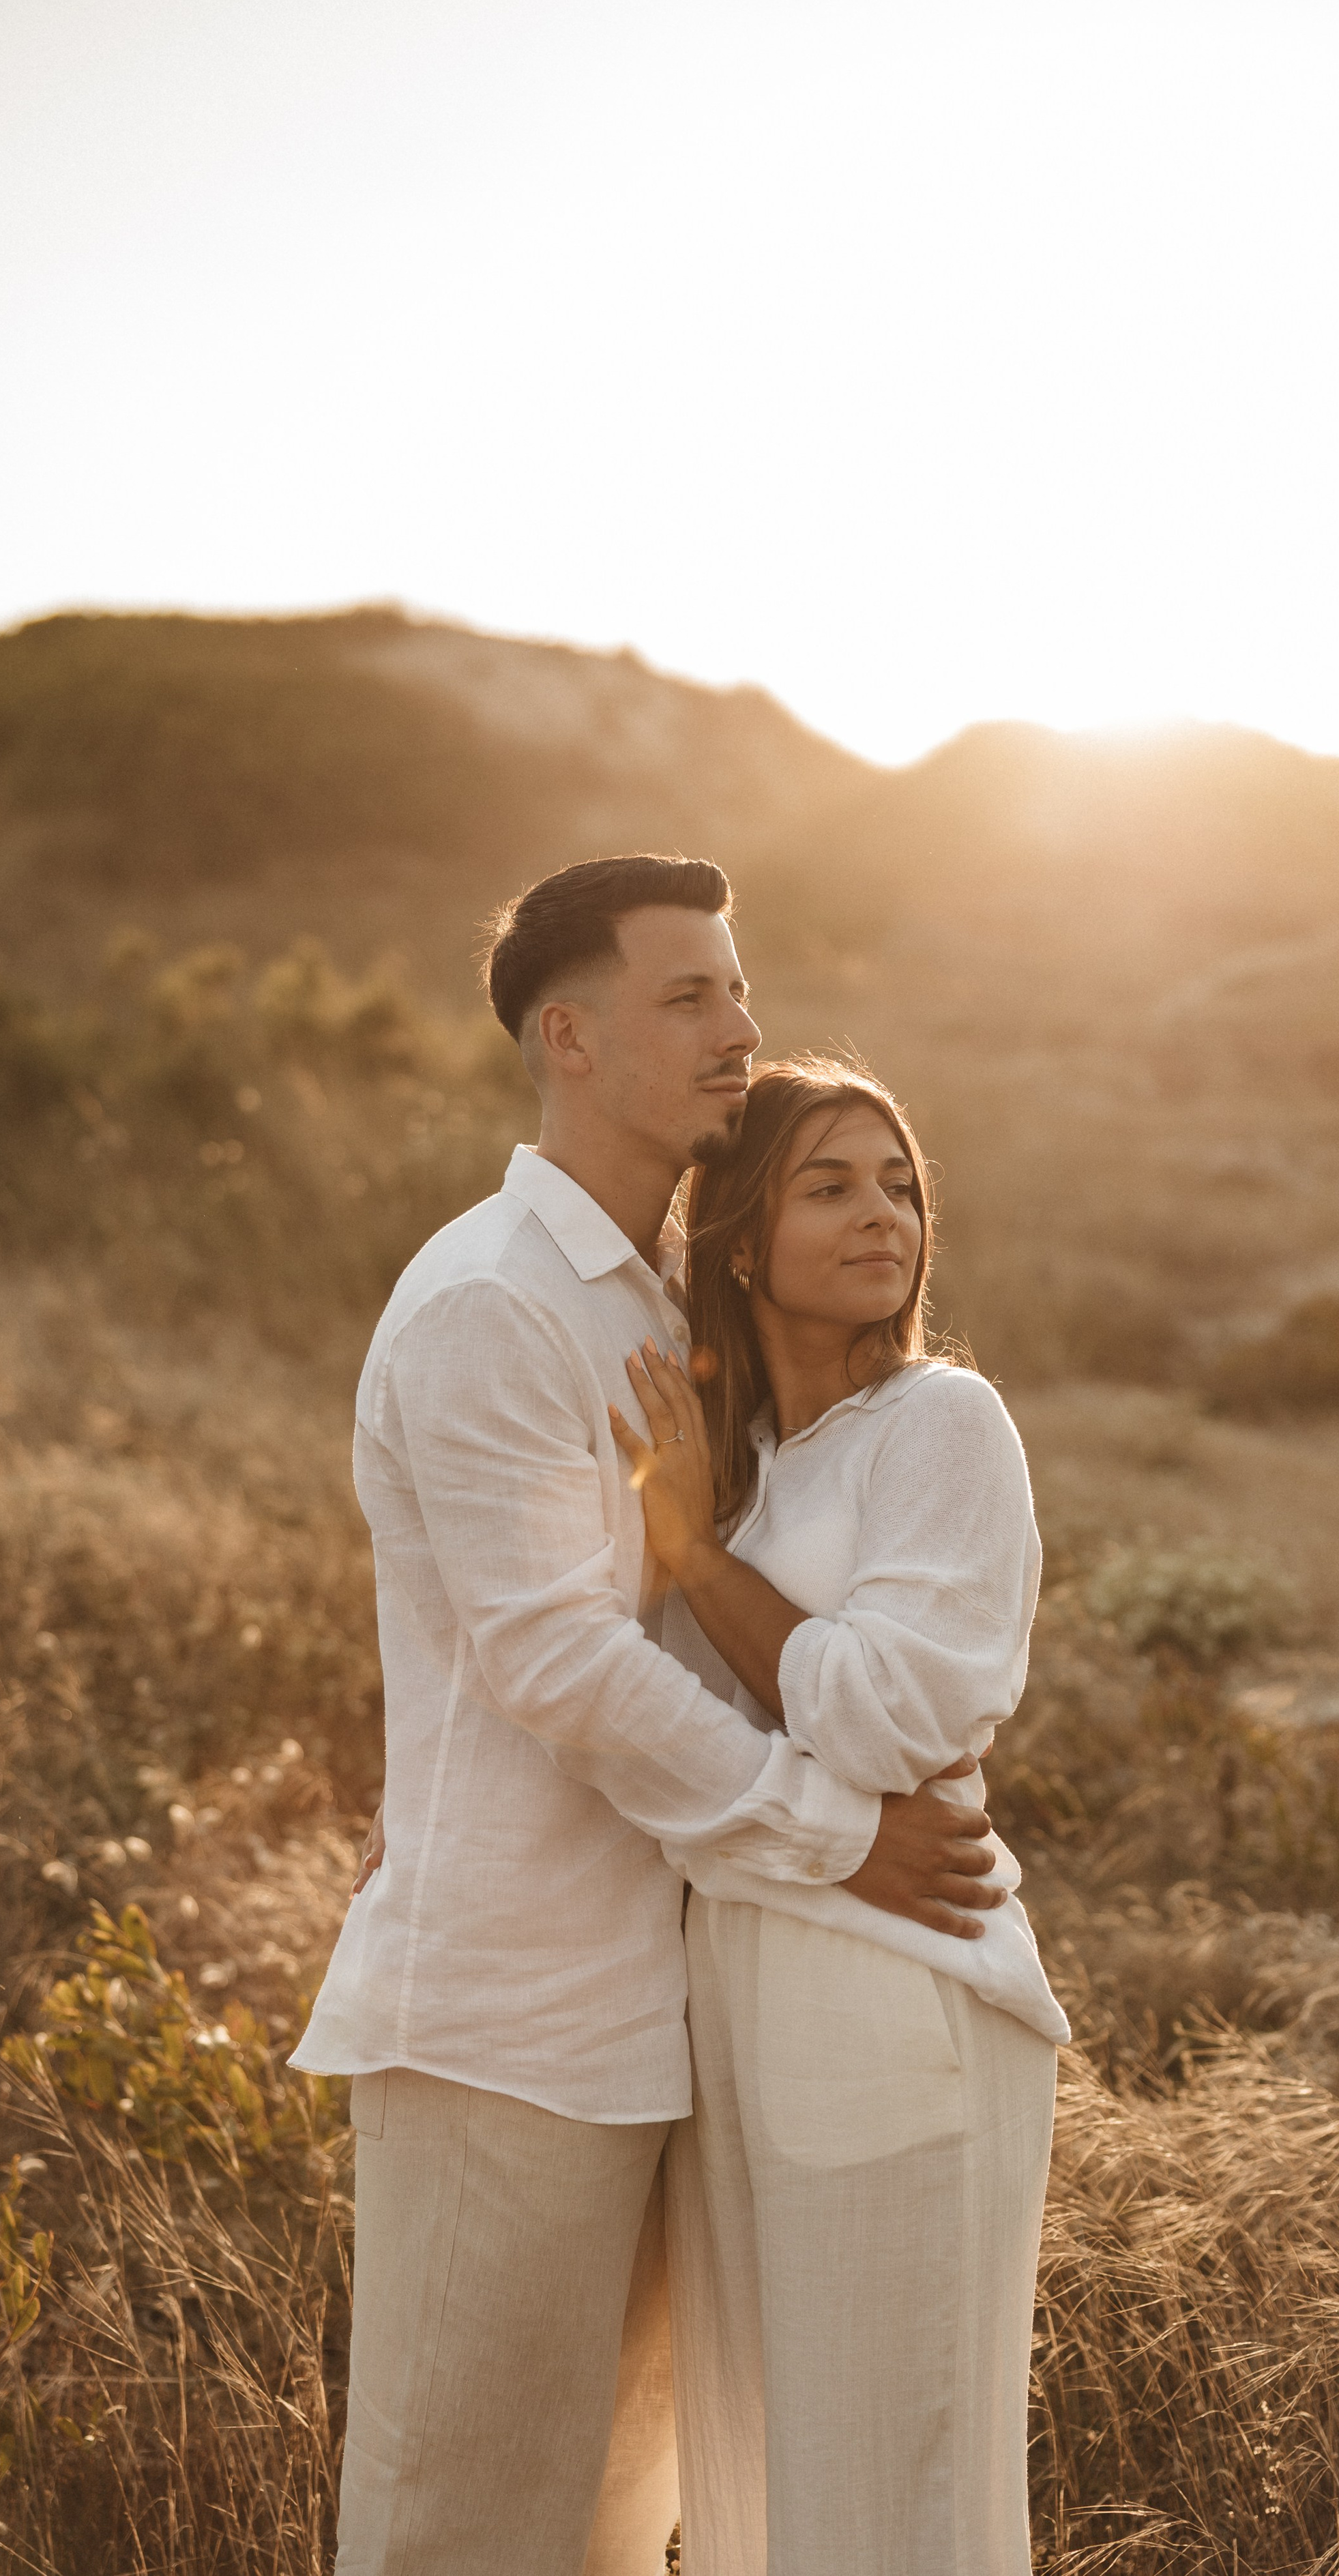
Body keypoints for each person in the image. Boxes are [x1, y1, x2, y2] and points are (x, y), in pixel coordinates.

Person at [290, 857, 1007, 2576]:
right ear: (569, 1038)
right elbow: (555, 1662)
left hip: (676, 2020)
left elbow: (756, 1585)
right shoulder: (491, 1300)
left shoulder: (682, 1291)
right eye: (689, 996)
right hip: (512, 2019)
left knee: (611, 2538)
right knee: (459, 2534)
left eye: (738, 989)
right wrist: (838, 1837)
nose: (738, 1028)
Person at [608, 1055, 1070, 2576]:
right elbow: (665, 1754)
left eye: (900, 1185)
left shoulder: (941, 1422)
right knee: (771, 2493)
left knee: (891, 2494)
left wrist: (696, 1561)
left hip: (895, 1983)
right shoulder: (740, 1473)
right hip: (735, 1995)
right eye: (831, 1186)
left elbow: (881, 1714)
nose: (884, 1214)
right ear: (741, 1242)